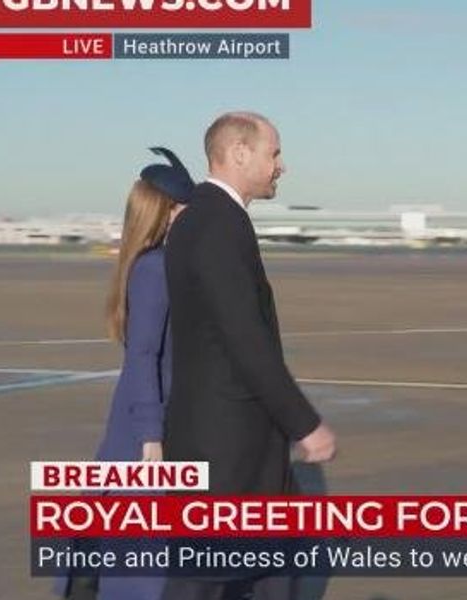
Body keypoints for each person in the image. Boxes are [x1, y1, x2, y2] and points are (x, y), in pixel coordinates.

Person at [162, 112, 336, 600]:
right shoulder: (218, 223)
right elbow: (244, 338)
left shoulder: (204, 216)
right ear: (240, 153)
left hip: (232, 446)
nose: (281, 165)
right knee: (205, 580)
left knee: (266, 571)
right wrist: (304, 422)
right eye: (273, 152)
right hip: (225, 451)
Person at [57, 147, 196, 600]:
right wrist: (150, 436)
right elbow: (142, 356)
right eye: (185, 208)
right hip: (144, 423)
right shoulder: (155, 269)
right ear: (165, 212)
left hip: (144, 415)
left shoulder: (161, 264)